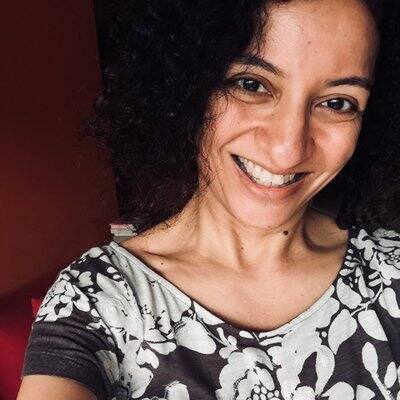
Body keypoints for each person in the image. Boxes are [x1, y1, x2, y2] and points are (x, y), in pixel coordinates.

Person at [18, 0, 400, 399]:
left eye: (337, 103)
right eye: (251, 84)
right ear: (189, 87)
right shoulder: (95, 300)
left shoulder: (391, 272)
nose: (288, 149)